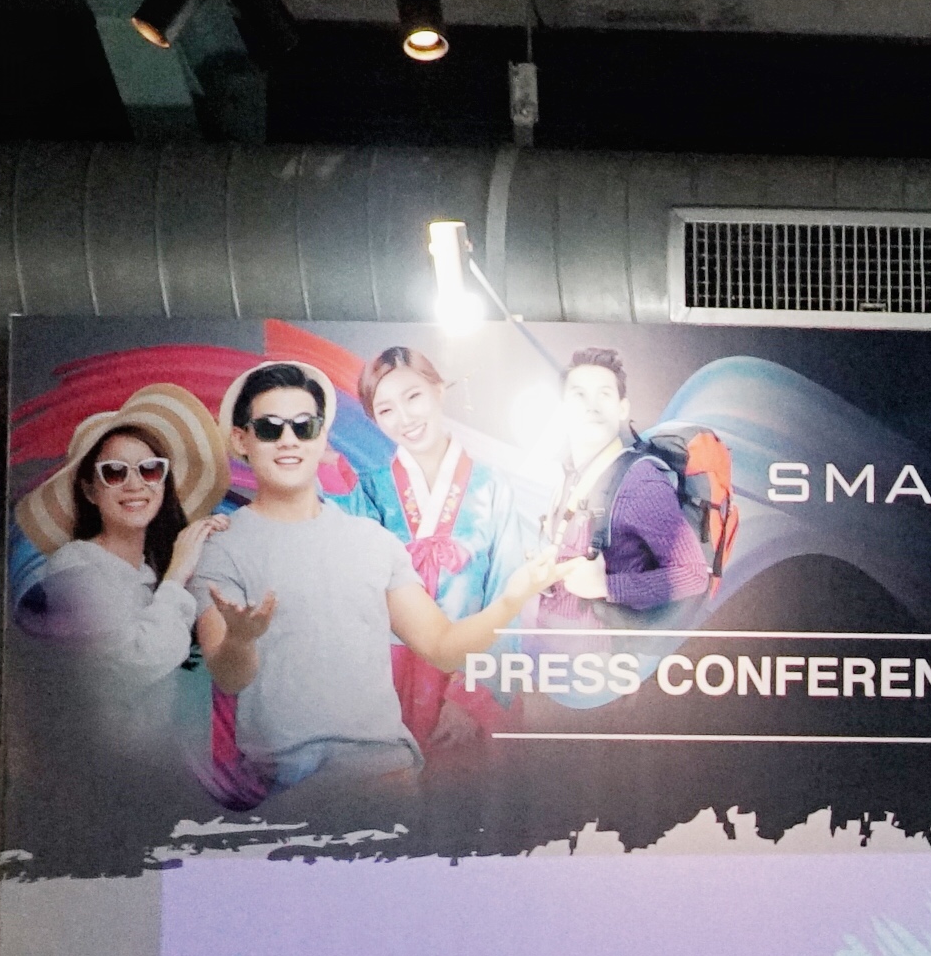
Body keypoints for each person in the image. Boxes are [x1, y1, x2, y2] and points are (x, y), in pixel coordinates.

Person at [191, 359, 546, 806]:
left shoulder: (373, 540)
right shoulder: (222, 547)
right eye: (269, 428)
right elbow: (228, 674)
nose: (289, 440)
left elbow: (442, 646)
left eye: (304, 426)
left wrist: (513, 598)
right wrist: (242, 639)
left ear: (323, 436)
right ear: (241, 439)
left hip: (386, 780)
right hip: (282, 789)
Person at [11, 388, 225, 781]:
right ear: (90, 490)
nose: (134, 484)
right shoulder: (74, 568)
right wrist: (178, 574)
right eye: (114, 472)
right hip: (97, 778)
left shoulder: (149, 572)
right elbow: (136, 660)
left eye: (150, 469)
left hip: (161, 778)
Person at [362, 344, 543, 749]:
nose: (405, 418)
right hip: (387, 683)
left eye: (413, 396)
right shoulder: (368, 490)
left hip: (472, 673)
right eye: (386, 409)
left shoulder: (492, 486)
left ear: (438, 390)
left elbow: (510, 597)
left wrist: (469, 699)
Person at [543, 350, 714, 625]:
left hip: (600, 647)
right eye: (579, 395)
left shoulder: (640, 482)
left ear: (622, 408)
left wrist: (606, 586)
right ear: (563, 408)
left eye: (604, 395)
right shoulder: (568, 473)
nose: (592, 406)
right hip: (551, 639)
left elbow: (693, 575)